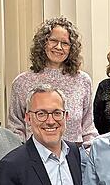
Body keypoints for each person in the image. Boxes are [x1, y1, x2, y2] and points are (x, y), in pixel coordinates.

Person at [8, 16, 98, 146]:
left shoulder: (83, 80)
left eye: (65, 43)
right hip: (34, 158)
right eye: (53, 41)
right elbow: (15, 127)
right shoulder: (22, 82)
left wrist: (89, 154)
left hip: (75, 157)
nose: (59, 47)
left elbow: (88, 126)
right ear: (43, 43)